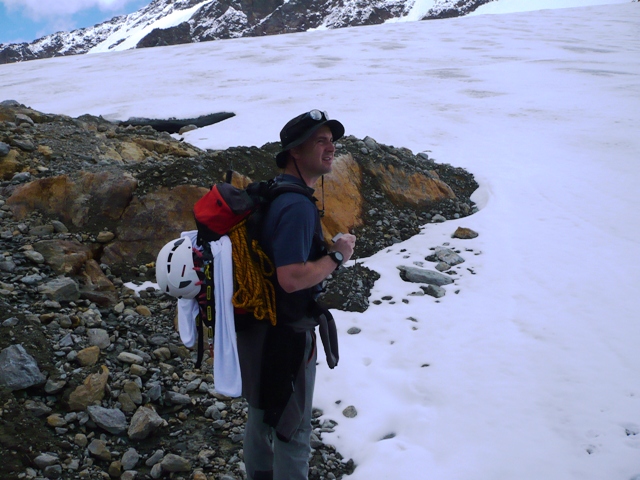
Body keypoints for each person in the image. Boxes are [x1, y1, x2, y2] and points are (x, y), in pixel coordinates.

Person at [236, 109, 357, 480]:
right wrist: (337, 256)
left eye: (331, 140)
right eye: (320, 141)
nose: (330, 148)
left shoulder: (274, 192)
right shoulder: (297, 205)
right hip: (286, 332)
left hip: (258, 327)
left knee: (260, 412)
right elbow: (290, 278)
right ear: (295, 152)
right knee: (292, 426)